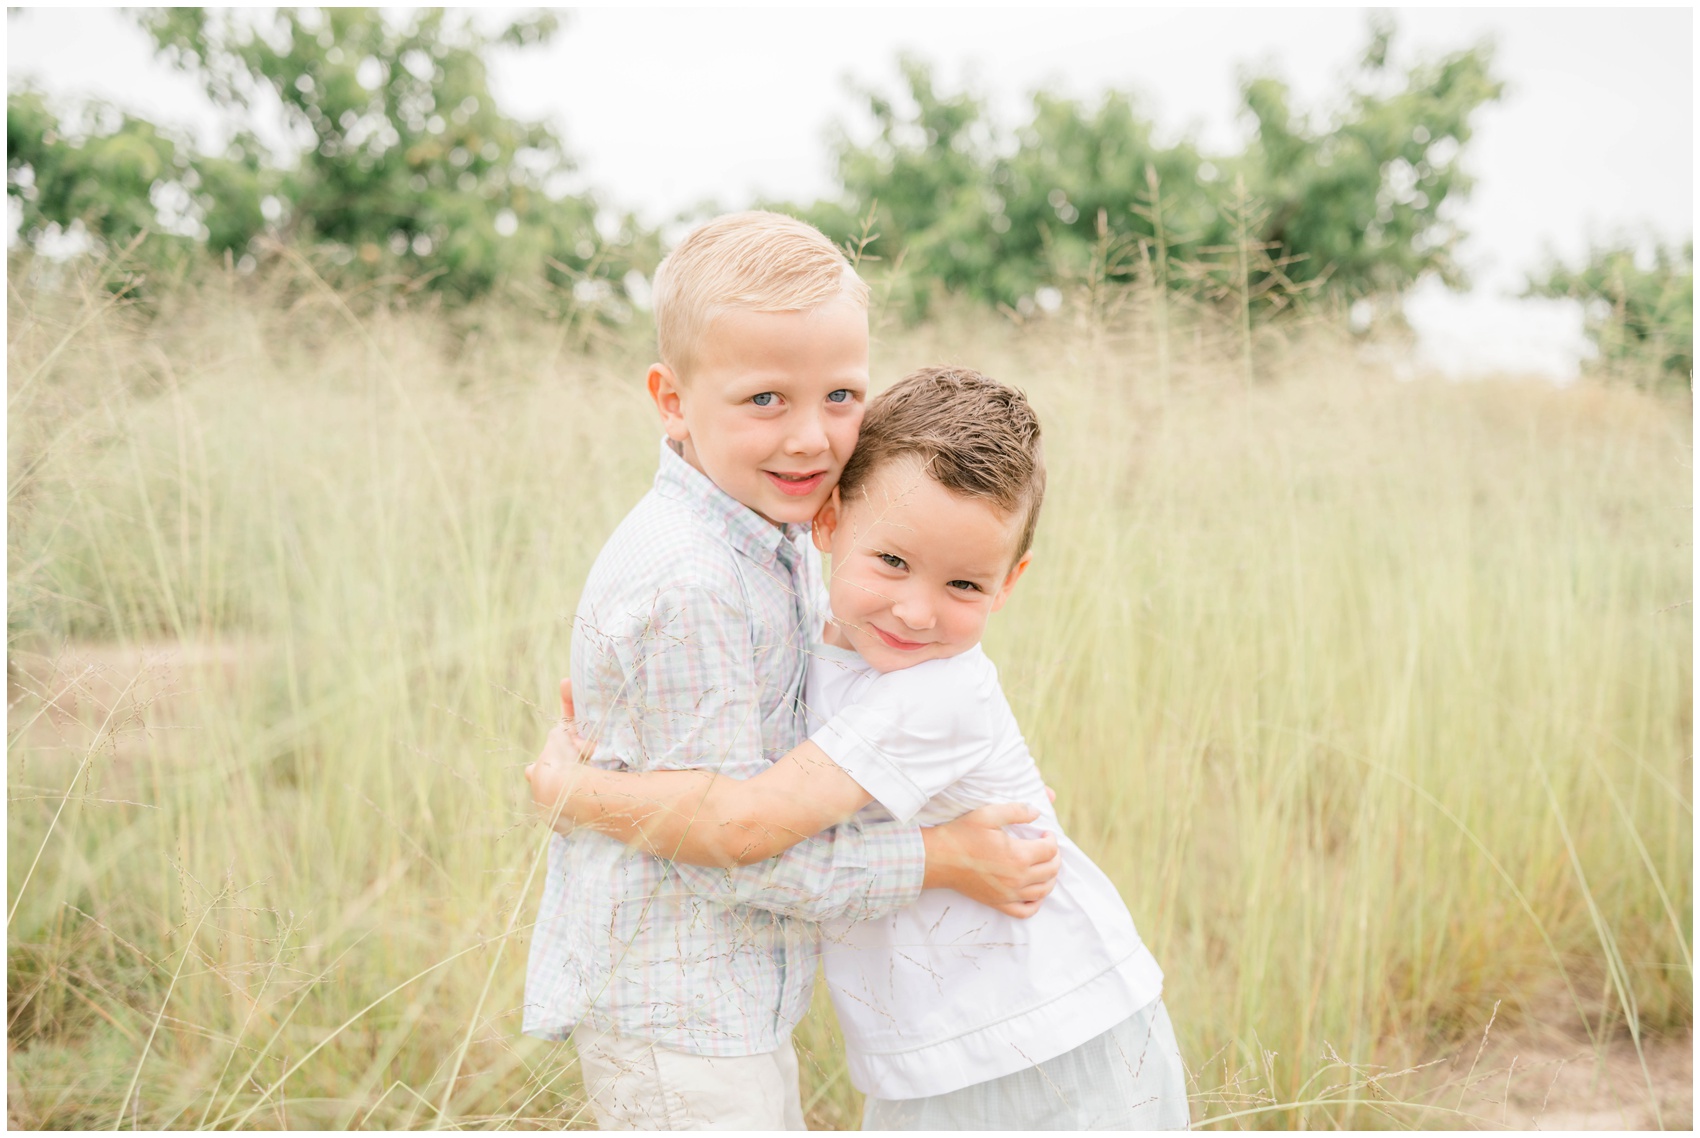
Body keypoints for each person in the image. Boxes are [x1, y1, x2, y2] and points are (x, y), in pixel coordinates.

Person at [531, 367, 1189, 1130]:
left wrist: (569, 791)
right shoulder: (815, 636)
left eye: (965, 587)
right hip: (948, 1042)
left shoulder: (934, 694)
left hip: (1048, 1033)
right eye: (893, 562)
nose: (916, 611)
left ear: (1010, 583)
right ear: (830, 521)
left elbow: (746, 824)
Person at [522, 213, 1063, 1131]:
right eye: (765, 399)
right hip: (678, 1009)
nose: (813, 438)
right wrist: (936, 859)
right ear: (673, 401)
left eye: (843, 396)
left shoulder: (769, 539)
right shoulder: (694, 581)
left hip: (721, 999)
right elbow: (733, 850)